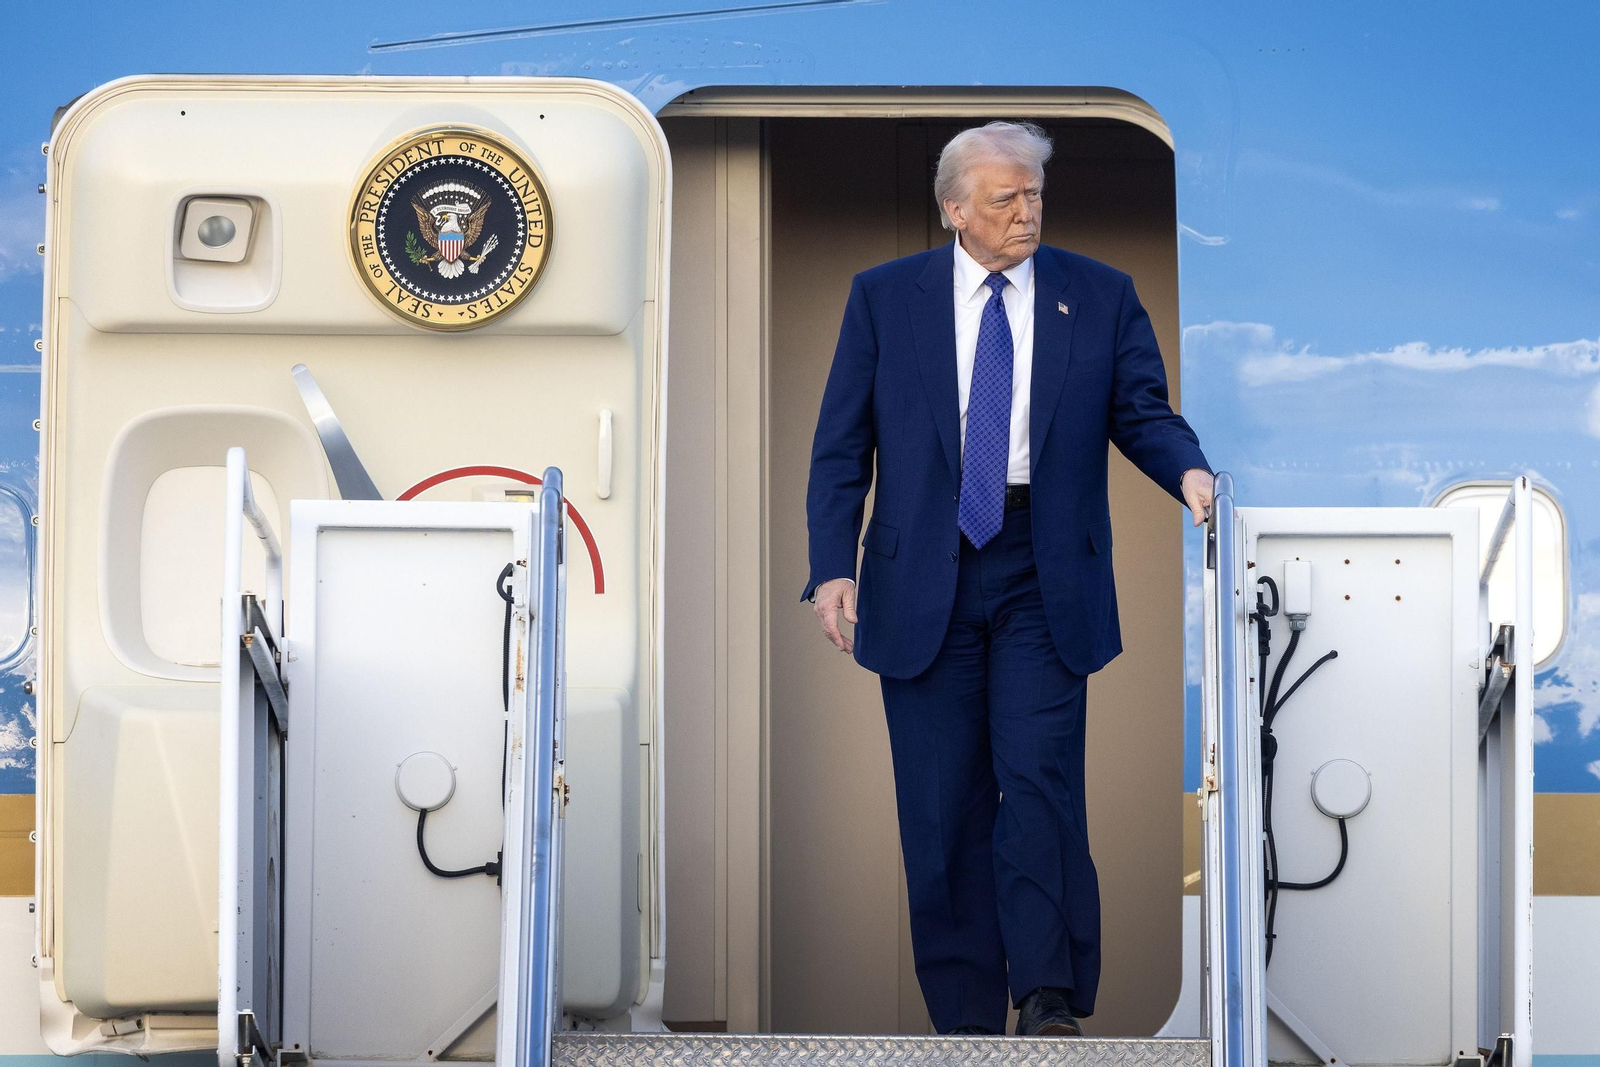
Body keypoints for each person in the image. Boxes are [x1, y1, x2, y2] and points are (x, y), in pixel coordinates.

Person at [802, 121, 1213, 1037]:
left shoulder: (1099, 293)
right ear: (955, 210)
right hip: (922, 570)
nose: (1027, 212)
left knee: (1038, 783)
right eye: (1005, 199)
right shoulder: (884, 297)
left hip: (1042, 562)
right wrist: (832, 567)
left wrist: (1188, 470)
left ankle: (1047, 995)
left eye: (1035, 195)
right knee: (942, 805)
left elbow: (1143, 410)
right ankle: (964, 1020)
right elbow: (840, 446)